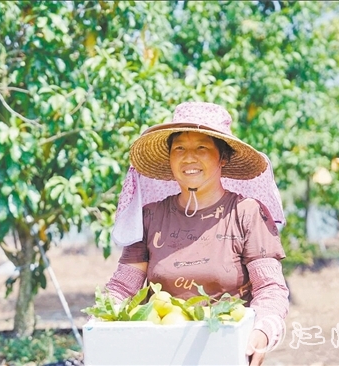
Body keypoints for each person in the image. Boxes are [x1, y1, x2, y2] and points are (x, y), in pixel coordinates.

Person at [105, 101, 289, 366]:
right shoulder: (151, 216)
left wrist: (263, 329)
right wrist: (98, 324)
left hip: (226, 350)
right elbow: (123, 287)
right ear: (169, 158)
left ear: (222, 157)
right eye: (179, 148)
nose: (189, 157)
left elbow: (270, 288)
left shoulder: (247, 213)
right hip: (158, 353)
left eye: (202, 147)